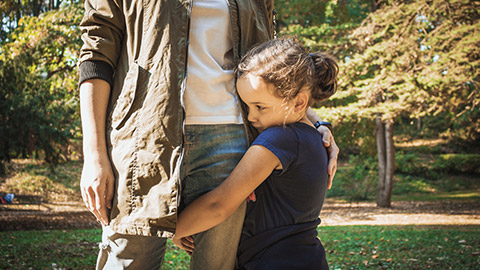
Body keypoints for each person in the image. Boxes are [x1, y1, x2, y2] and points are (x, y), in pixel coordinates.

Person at [78, 0, 339, 268]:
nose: (254, 113)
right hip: (144, 139)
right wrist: (94, 153)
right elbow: (97, 51)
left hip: (233, 141)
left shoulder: (275, 137)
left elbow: (275, 70)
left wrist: (314, 122)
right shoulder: (275, 137)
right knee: (127, 260)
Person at [172, 37, 337, 270]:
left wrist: (176, 229)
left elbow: (219, 204)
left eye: (260, 107)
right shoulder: (312, 138)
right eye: (247, 106)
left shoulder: (280, 138)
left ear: (299, 103)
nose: (251, 117)